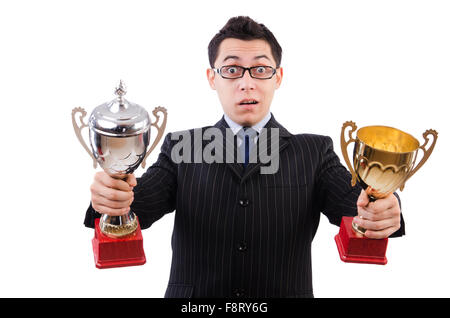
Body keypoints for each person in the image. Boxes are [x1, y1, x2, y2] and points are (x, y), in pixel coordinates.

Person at [84, 16, 404, 298]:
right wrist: (112, 193)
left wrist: (383, 206)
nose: (246, 83)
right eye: (233, 69)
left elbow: (355, 204)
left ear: (278, 77)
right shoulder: (182, 147)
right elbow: (139, 203)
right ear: (213, 78)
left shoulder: (315, 152)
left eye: (261, 69)